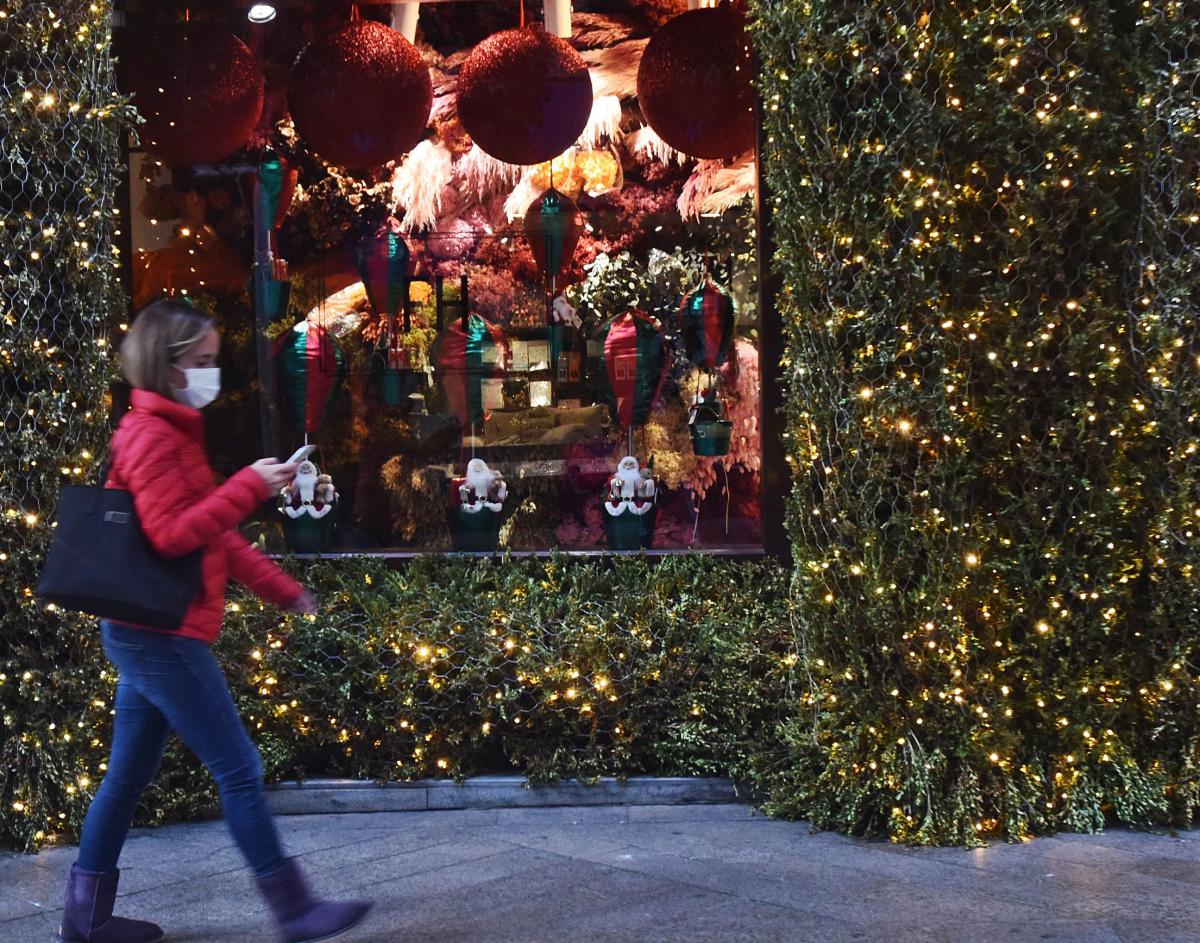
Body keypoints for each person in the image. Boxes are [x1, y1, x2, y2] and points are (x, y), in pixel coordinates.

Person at [59, 299, 372, 943]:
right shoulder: (153, 436)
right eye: (202, 361)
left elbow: (213, 534)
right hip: (162, 634)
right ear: (169, 365)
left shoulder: (170, 431)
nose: (212, 373)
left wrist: (283, 590)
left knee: (127, 777)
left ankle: (85, 919)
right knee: (238, 768)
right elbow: (172, 535)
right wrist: (249, 486)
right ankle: (295, 911)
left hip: (147, 628)